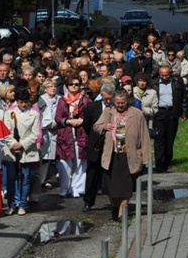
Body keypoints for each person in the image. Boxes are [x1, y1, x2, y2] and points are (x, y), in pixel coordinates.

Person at [94, 90, 151, 221]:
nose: (120, 105)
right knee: (112, 188)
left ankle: (122, 212)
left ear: (128, 101)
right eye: (117, 103)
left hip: (129, 155)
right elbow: (96, 126)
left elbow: (144, 136)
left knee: (126, 187)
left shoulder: (137, 114)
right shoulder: (108, 112)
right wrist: (105, 126)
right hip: (112, 155)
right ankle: (115, 206)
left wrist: (146, 157)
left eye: (122, 102)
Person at [3, 89, 41, 215]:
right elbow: (6, 131)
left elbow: (35, 133)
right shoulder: (10, 113)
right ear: (16, 101)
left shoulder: (34, 114)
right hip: (12, 150)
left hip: (27, 150)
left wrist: (22, 144)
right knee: (12, 178)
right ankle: (12, 204)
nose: (23, 105)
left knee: (25, 178)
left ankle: (23, 204)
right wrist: (14, 144)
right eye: (21, 102)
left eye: (25, 102)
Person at [81, 82, 115, 212]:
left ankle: (114, 202)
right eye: (105, 98)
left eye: (110, 98)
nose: (108, 101)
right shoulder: (92, 106)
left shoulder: (116, 107)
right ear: (101, 95)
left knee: (111, 174)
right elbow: (86, 125)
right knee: (92, 174)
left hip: (111, 145)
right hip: (95, 145)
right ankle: (88, 201)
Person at [55, 76, 90, 198]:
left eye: (76, 84)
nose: (74, 86)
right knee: (64, 162)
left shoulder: (85, 100)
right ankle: (65, 188)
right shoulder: (62, 100)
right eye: (71, 84)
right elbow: (58, 117)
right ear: (67, 86)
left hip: (81, 134)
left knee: (80, 162)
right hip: (65, 135)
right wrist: (69, 122)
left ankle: (78, 188)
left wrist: (82, 120)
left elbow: (90, 115)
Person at [152, 65, 188, 173]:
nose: (164, 77)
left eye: (166, 75)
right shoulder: (154, 83)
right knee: (159, 138)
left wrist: (185, 112)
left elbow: (183, 97)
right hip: (159, 113)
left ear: (170, 73)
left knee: (169, 139)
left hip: (172, 112)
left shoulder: (177, 81)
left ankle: (166, 162)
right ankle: (159, 164)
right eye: (162, 75)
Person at [37, 79, 59, 191]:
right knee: (44, 156)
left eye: (54, 86)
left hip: (56, 130)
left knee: (53, 156)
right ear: (45, 89)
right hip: (45, 130)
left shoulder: (59, 99)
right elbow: (38, 115)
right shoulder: (41, 100)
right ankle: (41, 179)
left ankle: (48, 179)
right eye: (50, 86)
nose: (53, 88)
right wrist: (46, 124)